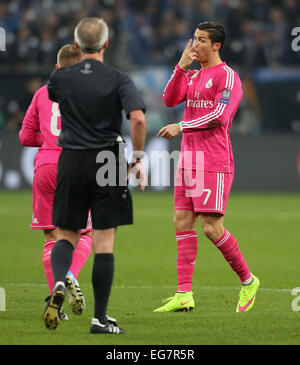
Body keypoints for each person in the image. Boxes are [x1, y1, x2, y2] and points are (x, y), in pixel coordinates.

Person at [43, 17, 146, 334]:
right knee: (104, 241)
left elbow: (56, 99)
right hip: (109, 158)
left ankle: (59, 281)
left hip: (71, 157)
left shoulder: (60, 78)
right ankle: (100, 319)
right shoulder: (118, 78)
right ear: (106, 44)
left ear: (76, 45)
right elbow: (138, 119)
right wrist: (138, 157)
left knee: (66, 234)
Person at [155, 22, 260, 313]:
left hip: (213, 160)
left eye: (202, 40)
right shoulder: (192, 75)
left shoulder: (228, 77)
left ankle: (248, 280)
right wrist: (180, 67)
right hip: (189, 160)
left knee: (212, 228)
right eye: (194, 39)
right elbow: (169, 99)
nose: (195, 45)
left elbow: (220, 116)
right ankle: (184, 294)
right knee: (181, 221)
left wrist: (182, 125)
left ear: (217, 46)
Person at [19, 45, 94, 319]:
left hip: (46, 166)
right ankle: (70, 272)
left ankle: (57, 296)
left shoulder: (41, 93)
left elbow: (25, 137)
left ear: (57, 67)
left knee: (51, 236)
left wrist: (50, 142)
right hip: (76, 166)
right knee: (86, 232)